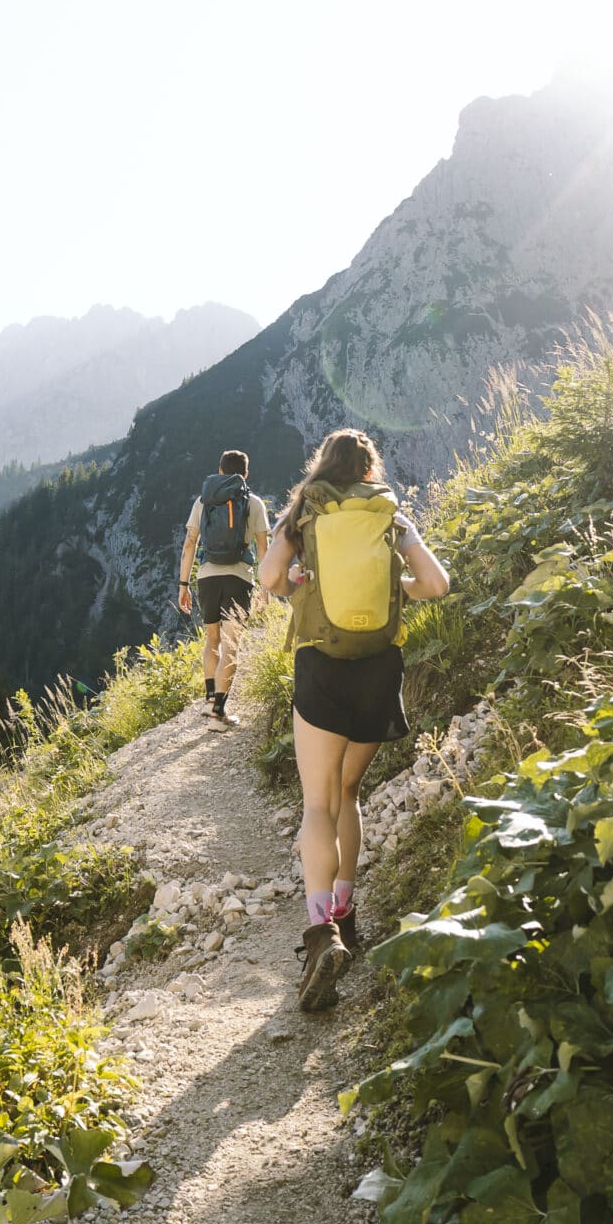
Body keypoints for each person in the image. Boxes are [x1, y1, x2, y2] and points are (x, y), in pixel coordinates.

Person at [257, 427, 449, 1012]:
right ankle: (346, 911)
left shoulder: (304, 510)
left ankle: (322, 934)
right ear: (370, 467)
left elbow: (268, 581)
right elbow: (438, 585)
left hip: (322, 665)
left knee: (317, 803)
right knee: (349, 793)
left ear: (324, 464)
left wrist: (296, 581)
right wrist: (397, 583)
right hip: (378, 668)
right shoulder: (390, 512)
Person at [177, 449, 269, 728]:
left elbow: (190, 542)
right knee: (231, 645)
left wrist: (183, 584)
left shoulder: (203, 501)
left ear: (219, 471)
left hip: (206, 578)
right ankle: (218, 711)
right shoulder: (252, 502)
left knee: (212, 640)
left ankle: (209, 700)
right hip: (239, 577)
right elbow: (263, 547)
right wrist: (265, 588)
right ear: (246, 473)